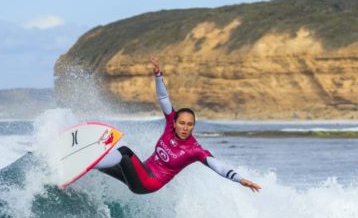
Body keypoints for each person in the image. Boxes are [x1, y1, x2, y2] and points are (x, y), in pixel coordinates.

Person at [92, 57, 261, 194]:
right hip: (140, 172)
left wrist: (239, 179)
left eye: (189, 124)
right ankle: (84, 168)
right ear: (174, 122)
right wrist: (158, 76)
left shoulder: (194, 150)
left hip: (148, 184)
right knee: (102, 167)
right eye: (182, 123)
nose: (185, 127)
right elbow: (164, 98)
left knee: (124, 152)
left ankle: (90, 161)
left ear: (193, 126)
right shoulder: (169, 126)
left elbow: (218, 166)